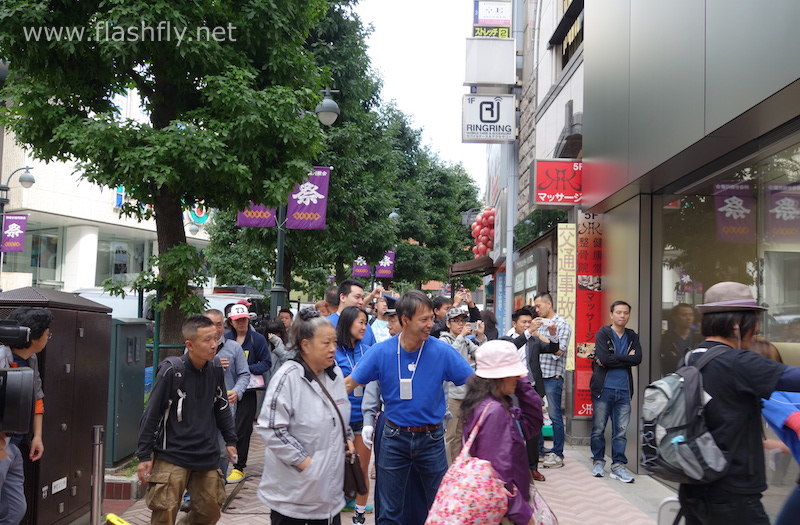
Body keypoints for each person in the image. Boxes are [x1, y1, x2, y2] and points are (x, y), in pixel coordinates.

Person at [345, 290, 474, 525]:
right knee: (390, 511)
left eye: (431, 319)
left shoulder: (442, 352)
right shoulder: (382, 351)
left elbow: (475, 383)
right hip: (394, 438)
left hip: (432, 439)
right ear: (405, 320)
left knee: (439, 506)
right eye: (423, 319)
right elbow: (349, 384)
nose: (430, 324)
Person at [676, 282, 800, 525]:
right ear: (736, 325)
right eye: (754, 321)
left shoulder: (690, 358)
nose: (756, 329)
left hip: (694, 485)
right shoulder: (738, 362)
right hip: (733, 493)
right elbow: (793, 378)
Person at [136, 315, 237, 525]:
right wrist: (144, 454)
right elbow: (151, 413)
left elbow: (221, 405)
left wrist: (230, 440)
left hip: (205, 454)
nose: (214, 344)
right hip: (171, 453)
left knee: (210, 511)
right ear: (189, 345)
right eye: (207, 340)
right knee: (164, 512)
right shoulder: (172, 371)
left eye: (215, 338)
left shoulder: (216, 367)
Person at [256, 308, 353, 525]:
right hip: (294, 498)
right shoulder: (288, 377)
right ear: (306, 345)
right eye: (325, 343)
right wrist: (307, 463)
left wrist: (347, 437)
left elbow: (340, 410)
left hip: (329, 496)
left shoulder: (334, 373)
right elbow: (270, 428)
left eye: (334, 342)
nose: (332, 349)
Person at [461, 340, 544, 525]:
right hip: (503, 511)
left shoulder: (490, 403)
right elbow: (498, 476)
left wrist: (522, 384)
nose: (518, 377)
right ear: (498, 376)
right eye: (513, 373)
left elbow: (532, 423)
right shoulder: (495, 411)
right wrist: (523, 515)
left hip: (501, 507)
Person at [0, 307, 52, 525]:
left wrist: (37, 436)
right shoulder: (2, 357)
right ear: (34, 338)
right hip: (2, 444)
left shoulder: (31, 359)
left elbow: (37, 397)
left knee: (15, 509)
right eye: (47, 334)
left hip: (15, 444)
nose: (48, 337)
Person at [501, 307, 558, 483]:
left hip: (532, 389)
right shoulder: (505, 340)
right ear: (514, 323)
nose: (527, 325)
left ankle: (532, 467)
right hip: (512, 390)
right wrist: (528, 332)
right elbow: (512, 347)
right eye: (524, 322)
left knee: (534, 430)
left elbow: (552, 348)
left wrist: (553, 334)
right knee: (512, 428)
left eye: (529, 321)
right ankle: (511, 466)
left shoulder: (534, 341)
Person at [589, 300, 642, 482]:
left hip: (624, 390)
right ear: (611, 314)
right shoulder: (603, 333)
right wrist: (626, 358)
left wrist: (613, 359)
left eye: (626, 313)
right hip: (604, 389)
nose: (622, 316)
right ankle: (598, 461)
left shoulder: (632, 335)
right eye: (618, 312)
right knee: (598, 428)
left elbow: (638, 360)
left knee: (620, 431)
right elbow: (604, 357)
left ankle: (618, 466)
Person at [334, 306, 373, 523]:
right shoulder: (333, 351)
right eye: (360, 322)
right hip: (339, 420)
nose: (364, 327)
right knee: (336, 467)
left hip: (363, 418)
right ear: (348, 322)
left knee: (361, 468)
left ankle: (359, 514)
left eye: (366, 322)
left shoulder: (368, 350)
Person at [225, 303, 271, 483]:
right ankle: (223, 462)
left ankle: (238, 466)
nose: (241, 323)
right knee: (225, 426)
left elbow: (266, 362)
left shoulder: (257, 339)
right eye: (238, 320)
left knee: (242, 428)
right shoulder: (225, 339)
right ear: (231, 321)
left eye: (244, 319)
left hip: (248, 390)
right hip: (227, 389)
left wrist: (245, 368)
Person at [438, 306, 485, 463]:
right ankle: (448, 470)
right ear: (448, 323)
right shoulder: (443, 340)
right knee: (450, 435)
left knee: (459, 435)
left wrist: (481, 335)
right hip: (451, 395)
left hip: (464, 394)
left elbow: (482, 354)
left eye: (463, 321)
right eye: (456, 321)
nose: (460, 324)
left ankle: (456, 468)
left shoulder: (465, 340)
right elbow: (449, 357)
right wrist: (461, 337)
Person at [533, 291, 572, 469]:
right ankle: (539, 451)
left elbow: (558, 351)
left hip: (553, 377)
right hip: (537, 376)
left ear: (549, 304)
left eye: (538, 306)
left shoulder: (562, 325)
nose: (537, 309)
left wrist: (540, 336)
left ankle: (558, 453)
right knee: (535, 415)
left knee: (555, 416)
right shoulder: (538, 323)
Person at [327, 279, 377, 347]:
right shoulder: (327, 324)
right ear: (342, 297)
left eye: (362, 298)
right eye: (357, 297)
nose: (361, 302)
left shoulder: (366, 326)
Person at [660, 303, 701, 374]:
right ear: (675, 317)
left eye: (691, 315)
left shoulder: (698, 337)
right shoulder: (667, 337)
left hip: (694, 376)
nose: (689, 318)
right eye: (684, 315)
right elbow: (669, 360)